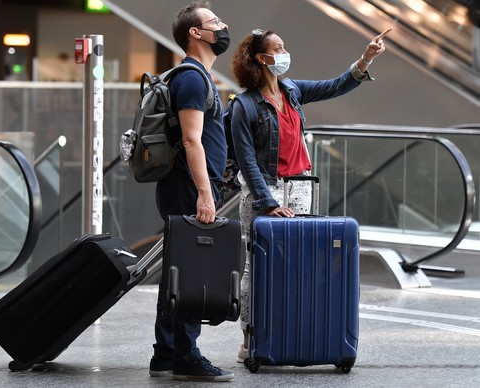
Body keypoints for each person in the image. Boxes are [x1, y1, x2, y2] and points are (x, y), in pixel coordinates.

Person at [230, 27, 393, 362]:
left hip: (301, 186)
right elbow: (246, 160)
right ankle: (250, 338)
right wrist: (269, 203)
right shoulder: (243, 106)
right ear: (262, 58)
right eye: (278, 47)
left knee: (296, 263)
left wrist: (366, 58)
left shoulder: (291, 90)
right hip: (265, 190)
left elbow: (335, 86)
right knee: (256, 265)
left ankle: (288, 330)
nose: (285, 52)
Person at [149, 1, 234, 382]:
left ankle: (166, 353)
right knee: (191, 269)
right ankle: (186, 355)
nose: (223, 25)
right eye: (214, 22)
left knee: (176, 269)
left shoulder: (191, 76)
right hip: (188, 187)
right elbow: (191, 139)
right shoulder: (193, 79)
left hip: (183, 185)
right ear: (195, 34)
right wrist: (204, 192)